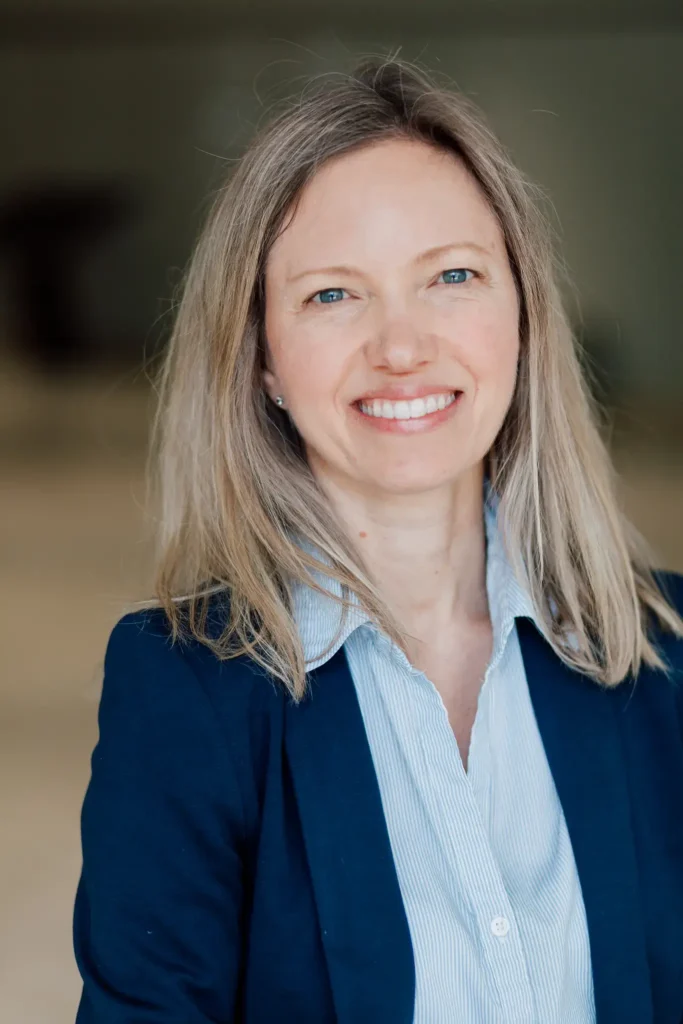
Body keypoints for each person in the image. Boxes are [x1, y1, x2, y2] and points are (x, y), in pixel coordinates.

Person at [72, 58, 683, 1024]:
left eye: (450, 276)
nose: (401, 347)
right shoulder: (186, 695)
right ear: (262, 356)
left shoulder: (665, 655)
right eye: (331, 295)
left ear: (519, 318)